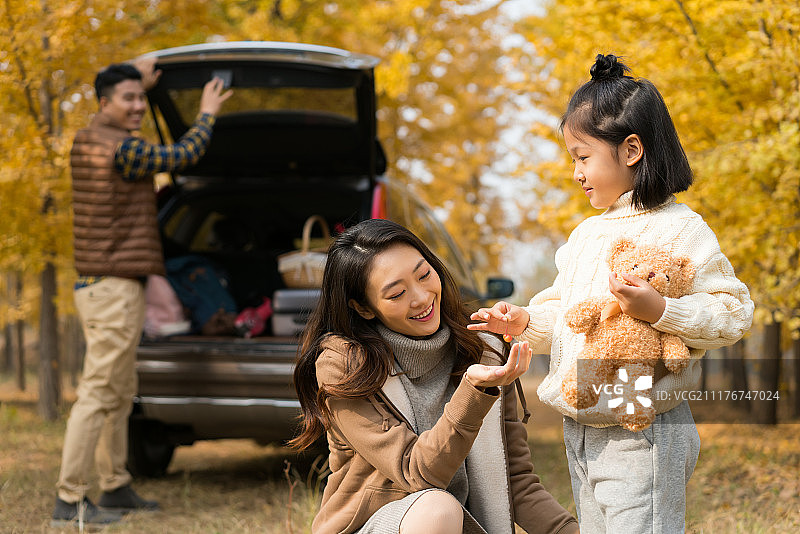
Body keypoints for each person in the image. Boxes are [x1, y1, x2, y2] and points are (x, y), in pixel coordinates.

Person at [469, 54, 754, 533]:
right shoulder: (585, 235)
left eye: (583, 157)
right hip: (581, 425)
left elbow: (733, 312)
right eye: (572, 160)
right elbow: (568, 314)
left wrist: (660, 309)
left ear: (631, 150)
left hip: (642, 428)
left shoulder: (680, 230)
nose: (576, 173)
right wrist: (524, 323)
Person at [291, 219, 579, 534]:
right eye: (397, 293)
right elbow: (417, 473)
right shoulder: (344, 367)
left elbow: (515, 481)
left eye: (424, 274)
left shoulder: (484, 350)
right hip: (378, 526)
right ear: (364, 308)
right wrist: (473, 392)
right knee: (438, 510)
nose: (421, 297)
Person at [52, 57, 232, 526]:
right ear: (103, 103)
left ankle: (114, 487)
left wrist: (141, 81)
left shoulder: (92, 137)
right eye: (128, 99)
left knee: (118, 389)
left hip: (110, 285)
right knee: (98, 392)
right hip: (111, 287)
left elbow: (122, 95)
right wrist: (207, 111)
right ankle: (69, 501)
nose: (136, 106)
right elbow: (181, 157)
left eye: (139, 98)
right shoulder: (121, 149)